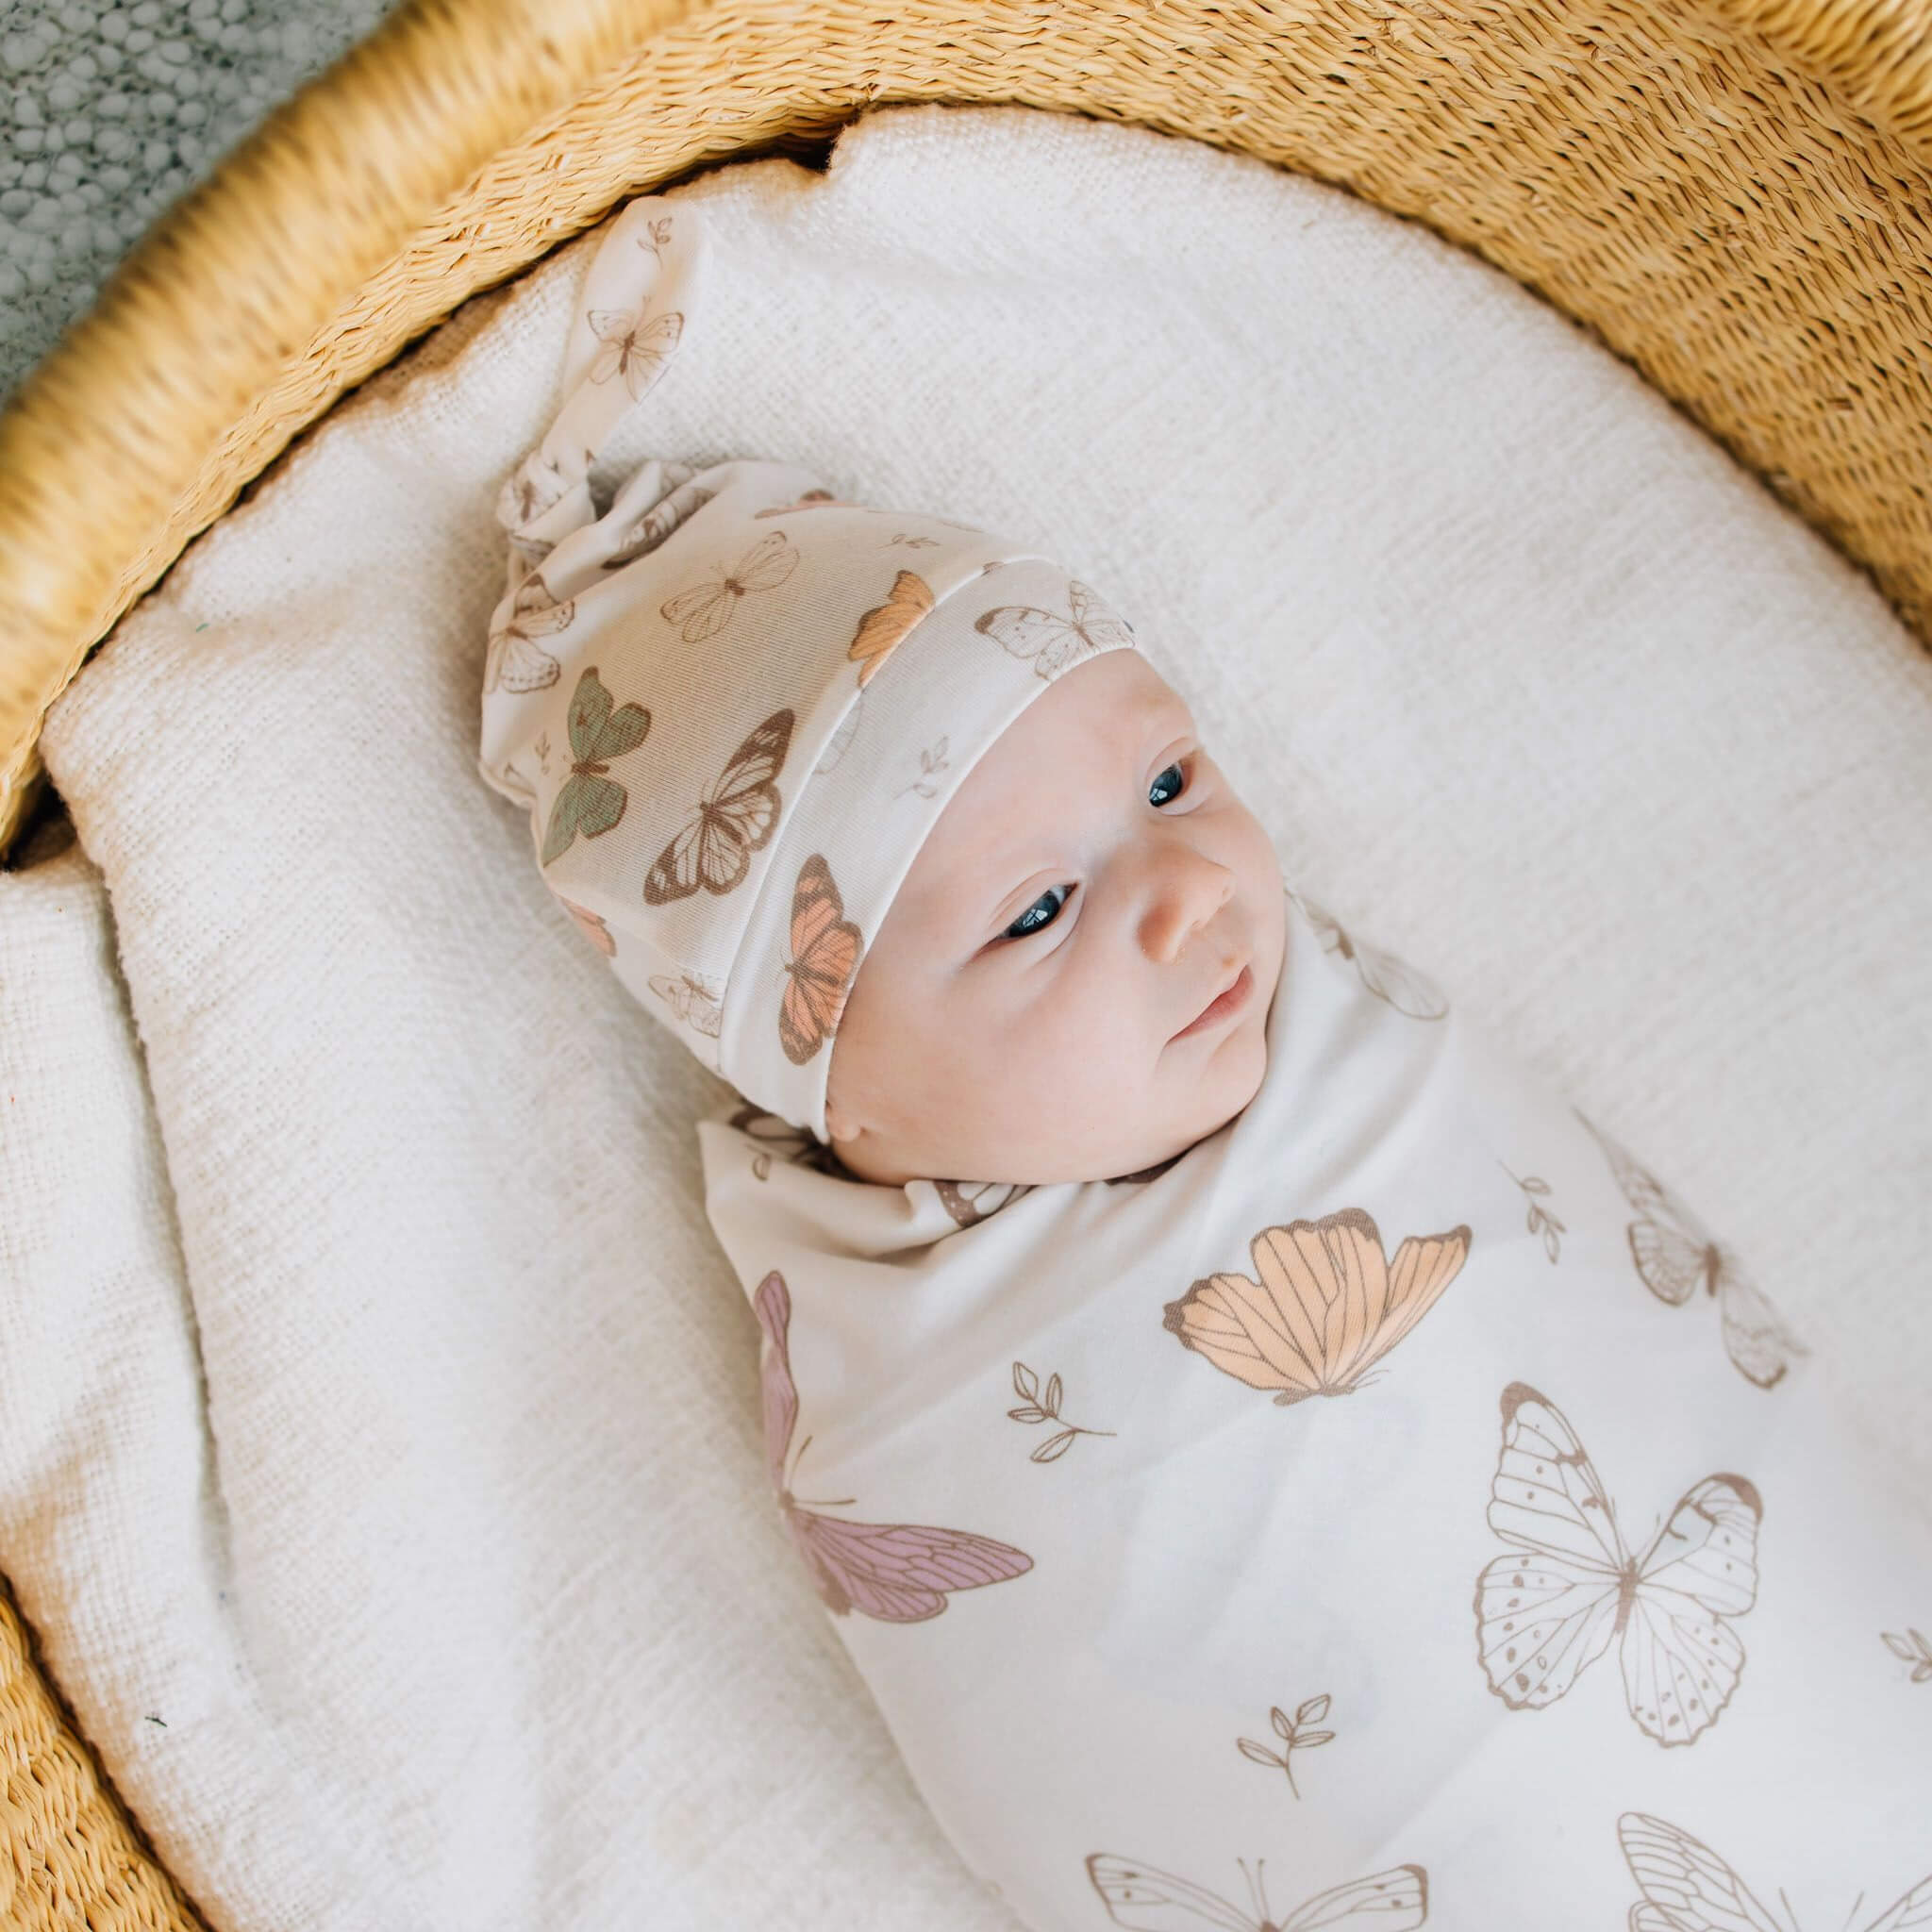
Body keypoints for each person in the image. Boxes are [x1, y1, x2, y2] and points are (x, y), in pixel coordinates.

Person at [478, 191, 1932, 1927]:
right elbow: (1059, 1717)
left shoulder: (1350, 1050)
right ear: (834, 1089)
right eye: (1037, 912)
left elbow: (1625, 1327)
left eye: (1168, 784)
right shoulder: (907, 1386)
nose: (1183, 892)